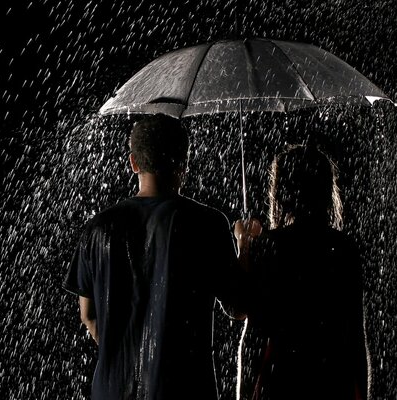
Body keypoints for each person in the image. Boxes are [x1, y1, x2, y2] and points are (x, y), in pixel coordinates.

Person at [63, 114, 248, 400]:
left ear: (133, 162)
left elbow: (88, 316)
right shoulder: (206, 224)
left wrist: (129, 353)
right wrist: (245, 246)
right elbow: (238, 307)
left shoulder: (98, 228)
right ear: (184, 163)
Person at [234, 143, 369, 400]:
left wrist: (245, 247)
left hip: (282, 381)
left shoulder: (269, 247)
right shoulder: (344, 249)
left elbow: (254, 336)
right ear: (327, 192)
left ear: (281, 193)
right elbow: (355, 339)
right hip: (332, 380)